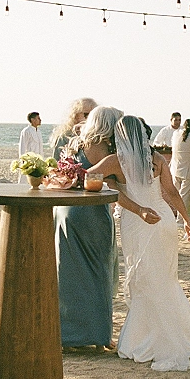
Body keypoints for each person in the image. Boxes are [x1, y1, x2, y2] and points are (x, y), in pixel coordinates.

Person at [91, 115, 190, 371]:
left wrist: (110, 185)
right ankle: (184, 337)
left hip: (140, 222)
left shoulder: (115, 161)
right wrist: (187, 220)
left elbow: (84, 177)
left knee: (145, 279)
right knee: (165, 279)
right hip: (164, 219)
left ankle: (148, 340)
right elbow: (171, 192)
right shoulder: (157, 159)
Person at [54, 105, 123, 350]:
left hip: (65, 210)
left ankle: (68, 336)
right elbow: (113, 184)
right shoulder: (106, 148)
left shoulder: (74, 143)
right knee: (97, 273)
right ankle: (97, 336)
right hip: (92, 211)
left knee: (69, 274)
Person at [170, 118, 190, 216]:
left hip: (175, 168)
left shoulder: (175, 135)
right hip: (188, 171)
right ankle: (181, 219)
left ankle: (175, 216)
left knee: (176, 195)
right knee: (184, 197)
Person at [17, 112, 44, 184]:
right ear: (32, 119)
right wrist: (23, 160)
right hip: (28, 160)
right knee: (25, 178)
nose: (40, 120)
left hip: (38, 160)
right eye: (38, 118)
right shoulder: (26, 131)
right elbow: (22, 146)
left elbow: (40, 147)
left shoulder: (39, 132)